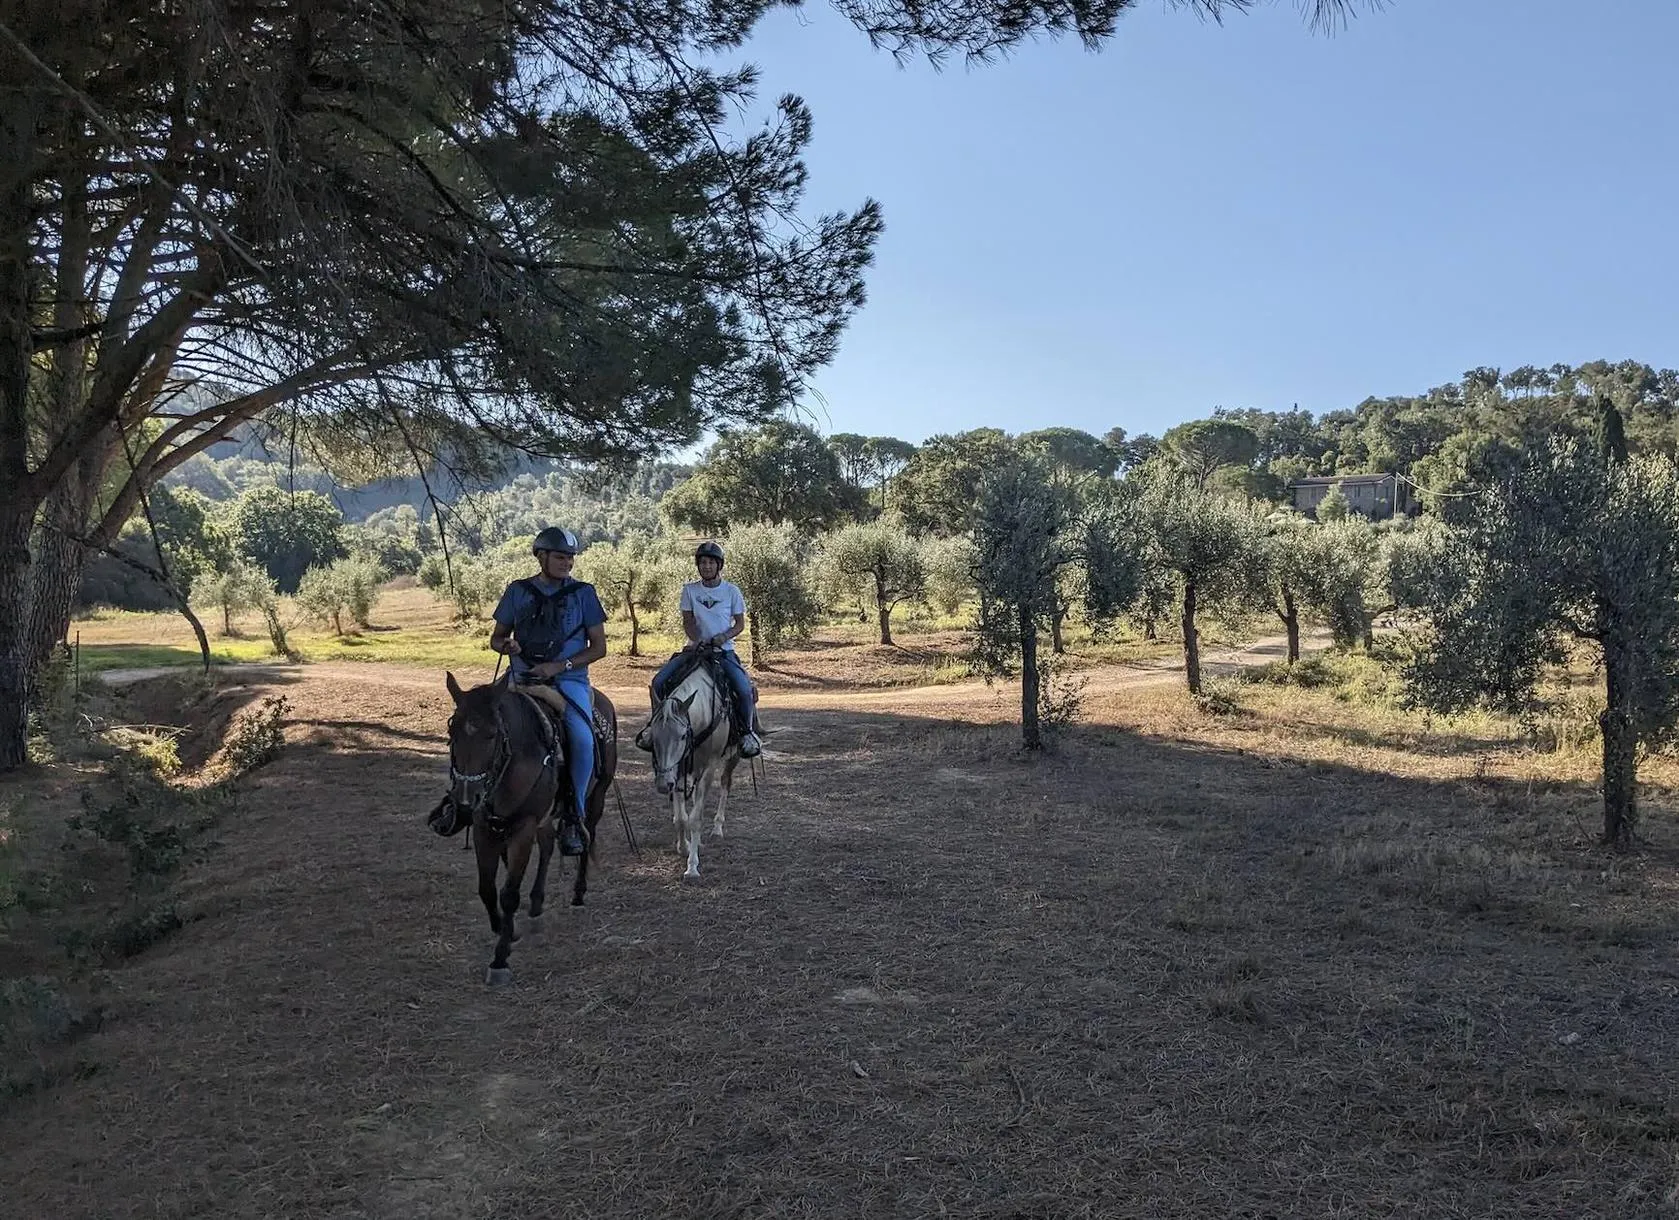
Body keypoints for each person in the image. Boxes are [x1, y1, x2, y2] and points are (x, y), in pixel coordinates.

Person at [488, 526, 608, 856]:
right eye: (560, 557)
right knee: (480, 723)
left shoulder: (584, 593)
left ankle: (574, 815)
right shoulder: (517, 591)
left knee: (583, 738)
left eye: (570, 557)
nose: (567, 563)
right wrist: (506, 644)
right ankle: (467, 799)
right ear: (541, 556)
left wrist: (559, 667)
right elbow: (496, 637)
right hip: (522, 677)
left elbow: (598, 648)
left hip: (568, 681)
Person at [636, 540, 761, 757]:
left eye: (711, 562)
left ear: (719, 565)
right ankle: (655, 726)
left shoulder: (732, 591)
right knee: (658, 682)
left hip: (723, 652)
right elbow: (688, 621)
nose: (706, 566)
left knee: (743, 689)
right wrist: (696, 639)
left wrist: (724, 636)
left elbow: (740, 624)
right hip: (695, 650)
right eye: (702, 562)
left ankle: (746, 732)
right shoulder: (690, 590)